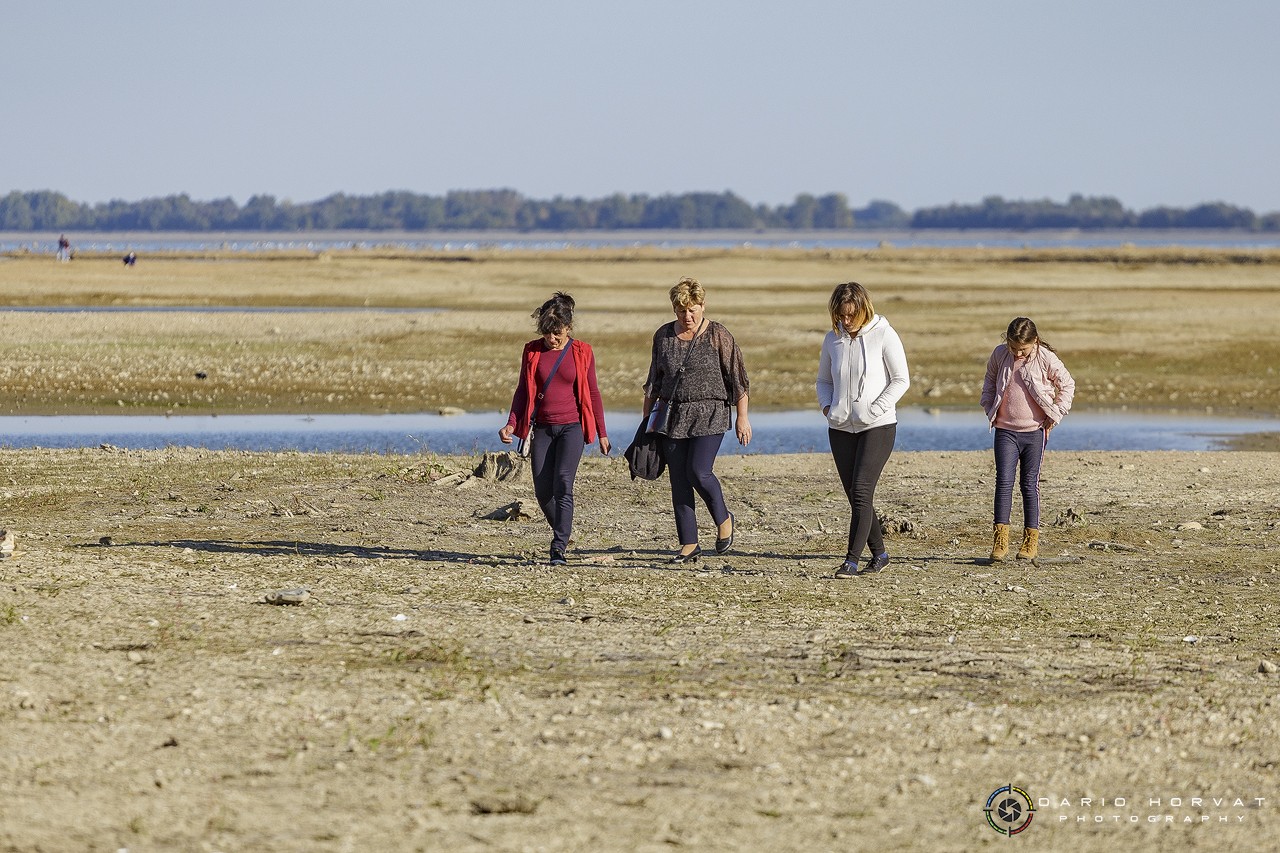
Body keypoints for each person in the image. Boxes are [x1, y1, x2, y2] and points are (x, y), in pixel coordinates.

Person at [642, 276, 750, 563]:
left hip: (711, 413)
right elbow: (654, 382)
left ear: (703, 306)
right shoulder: (663, 336)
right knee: (679, 480)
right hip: (673, 416)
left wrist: (742, 417)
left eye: (692, 310)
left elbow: (738, 378)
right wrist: (646, 422)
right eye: (681, 311)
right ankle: (689, 544)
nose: (687, 316)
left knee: (698, 471)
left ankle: (723, 518)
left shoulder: (718, 334)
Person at [499, 292, 610, 565]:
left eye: (557, 333)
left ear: (568, 327)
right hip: (542, 428)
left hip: (572, 427)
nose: (552, 338)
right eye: (547, 333)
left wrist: (602, 432)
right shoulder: (532, 350)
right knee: (542, 491)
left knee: (563, 482)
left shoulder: (582, 351)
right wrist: (511, 423)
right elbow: (522, 391)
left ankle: (558, 546)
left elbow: (593, 392)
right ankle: (563, 529)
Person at [816, 281, 910, 578]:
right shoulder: (832, 340)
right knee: (858, 497)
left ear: (863, 309)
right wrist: (828, 407)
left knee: (860, 491)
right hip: (840, 428)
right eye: (841, 315)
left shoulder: (884, 334)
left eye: (851, 315)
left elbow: (901, 379)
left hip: (878, 426)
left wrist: (875, 409)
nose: (846, 321)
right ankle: (880, 554)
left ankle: (851, 561)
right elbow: (823, 381)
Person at [980, 317, 1075, 562]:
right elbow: (990, 380)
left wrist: (1055, 414)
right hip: (1005, 431)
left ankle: (1030, 541)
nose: (1018, 353)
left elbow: (1067, 385)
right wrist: (988, 405)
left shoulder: (1045, 358)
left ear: (1035, 341)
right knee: (1004, 482)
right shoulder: (1000, 354)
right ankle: (1000, 541)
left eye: (1023, 349)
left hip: (1035, 432)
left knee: (1029, 485)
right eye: (1013, 347)